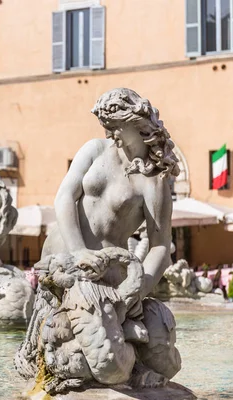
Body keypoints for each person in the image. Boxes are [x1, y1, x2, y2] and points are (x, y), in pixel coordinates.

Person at [44, 88, 179, 298]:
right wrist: (78, 251)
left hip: (101, 274)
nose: (108, 134)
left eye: (115, 127)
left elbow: (160, 246)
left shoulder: (153, 182)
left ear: (136, 124)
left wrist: (138, 290)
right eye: (105, 126)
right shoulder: (94, 150)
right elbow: (64, 197)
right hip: (58, 256)